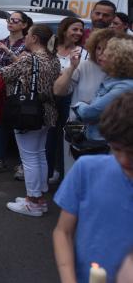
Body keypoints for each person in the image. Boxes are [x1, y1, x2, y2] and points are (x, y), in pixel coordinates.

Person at [53, 91, 133, 283]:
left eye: (131, 152)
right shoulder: (87, 170)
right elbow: (63, 232)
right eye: (117, 148)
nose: (124, 159)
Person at [0, 25, 61, 217]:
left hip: (27, 112)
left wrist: (10, 60)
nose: (25, 37)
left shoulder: (29, 58)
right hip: (47, 111)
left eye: (28, 35)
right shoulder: (53, 58)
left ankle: (33, 201)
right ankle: (39, 199)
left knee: (29, 158)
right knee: (39, 154)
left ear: (34, 38)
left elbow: (5, 74)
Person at [0, 11, 31, 175]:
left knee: (20, 127)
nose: (11, 22)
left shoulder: (28, 44)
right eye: (9, 20)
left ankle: (23, 163)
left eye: (15, 20)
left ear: (24, 25)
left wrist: (8, 55)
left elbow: (25, 69)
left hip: (19, 92)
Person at [47, 17, 88, 184]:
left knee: (65, 138)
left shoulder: (83, 52)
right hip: (49, 98)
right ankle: (49, 172)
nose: (78, 33)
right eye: (75, 29)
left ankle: (63, 172)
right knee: (48, 137)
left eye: (81, 30)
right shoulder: (51, 48)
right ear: (64, 30)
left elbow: (81, 75)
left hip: (69, 99)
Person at [71, 37, 133, 140]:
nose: (101, 57)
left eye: (106, 55)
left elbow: (89, 113)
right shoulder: (112, 78)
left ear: (118, 60)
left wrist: (79, 105)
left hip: (105, 143)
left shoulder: (124, 86)